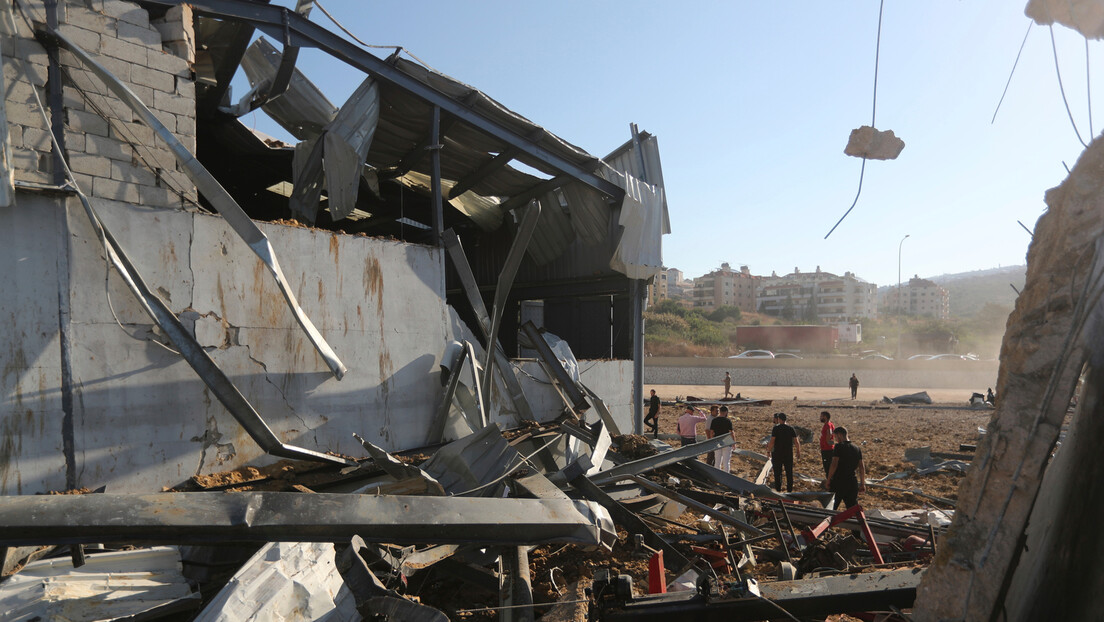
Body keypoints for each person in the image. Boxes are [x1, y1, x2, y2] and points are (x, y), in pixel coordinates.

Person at [824, 426, 866, 509]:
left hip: (838, 482)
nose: (835, 439)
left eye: (835, 436)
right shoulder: (857, 448)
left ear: (839, 435)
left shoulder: (839, 447)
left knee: (831, 508)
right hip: (851, 482)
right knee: (852, 509)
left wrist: (828, 479)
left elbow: (834, 464)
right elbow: (861, 467)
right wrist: (862, 483)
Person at [766, 412, 800, 492]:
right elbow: (796, 441)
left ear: (779, 419)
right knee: (789, 472)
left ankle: (778, 490)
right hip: (788, 454)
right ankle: (789, 490)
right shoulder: (791, 428)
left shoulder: (776, 428)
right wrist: (798, 451)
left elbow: (772, 441)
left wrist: (768, 451)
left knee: (778, 473)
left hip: (777, 453)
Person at [707, 406, 735, 472]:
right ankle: (726, 478)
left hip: (717, 441)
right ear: (726, 412)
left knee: (717, 461)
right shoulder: (728, 421)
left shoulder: (714, 420)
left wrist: (712, 440)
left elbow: (711, 432)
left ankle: (717, 477)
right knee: (726, 462)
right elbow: (732, 433)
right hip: (726, 441)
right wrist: (733, 443)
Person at [818, 411, 835, 477]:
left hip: (827, 450)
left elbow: (830, 433)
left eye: (821, 416)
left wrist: (828, 443)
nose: (820, 418)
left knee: (827, 467)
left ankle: (829, 481)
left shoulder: (828, 425)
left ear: (825, 417)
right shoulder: (830, 424)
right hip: (828, 448)